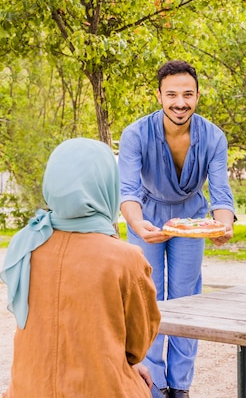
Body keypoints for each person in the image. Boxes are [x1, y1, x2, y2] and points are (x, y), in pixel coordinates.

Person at [0, 138, 161, 398]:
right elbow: (136, 347)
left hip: (27, 390)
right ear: (108, 187)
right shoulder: (125, 258)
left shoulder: (27, 245)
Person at [118, 60, 236, 398]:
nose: (179, 102)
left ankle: (180, 386)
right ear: (159, 96)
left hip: (192, 217)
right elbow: (127, 191)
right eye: (171, 94)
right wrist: (137, 224)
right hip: (146, 213)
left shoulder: (213, 136)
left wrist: (223, 227)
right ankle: (152, 384)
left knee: (187, 299)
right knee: (148, 297)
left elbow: (221, 192)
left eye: (187, 94)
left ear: (198, 96)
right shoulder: (136, 134)